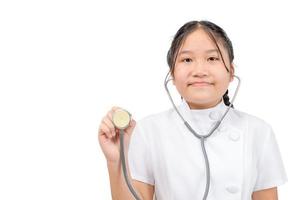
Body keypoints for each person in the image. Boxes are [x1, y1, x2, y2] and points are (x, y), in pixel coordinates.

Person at [98, 20, 287, 200]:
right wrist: (117, 160)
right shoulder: (149, 131)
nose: (199, 70)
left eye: (212, 58)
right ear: (172, 74)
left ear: (231, 72)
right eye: (187, 59)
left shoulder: (258, 131)